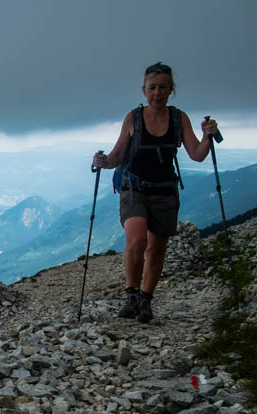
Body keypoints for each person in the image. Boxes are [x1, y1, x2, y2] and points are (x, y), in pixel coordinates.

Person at [92, 62, 217, 323]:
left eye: (162, 87)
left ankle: (146, 301)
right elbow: (117, 156)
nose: (157, 93)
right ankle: (132, 295)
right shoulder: (133, 118)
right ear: (144, 90)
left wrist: (207, 137)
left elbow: (197, 154)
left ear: (171, 89)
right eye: (152, 88)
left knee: (157, 249)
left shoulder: (178, 118)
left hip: (164, 190)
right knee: (137, 240)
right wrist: (103, 162)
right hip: (134, 188)